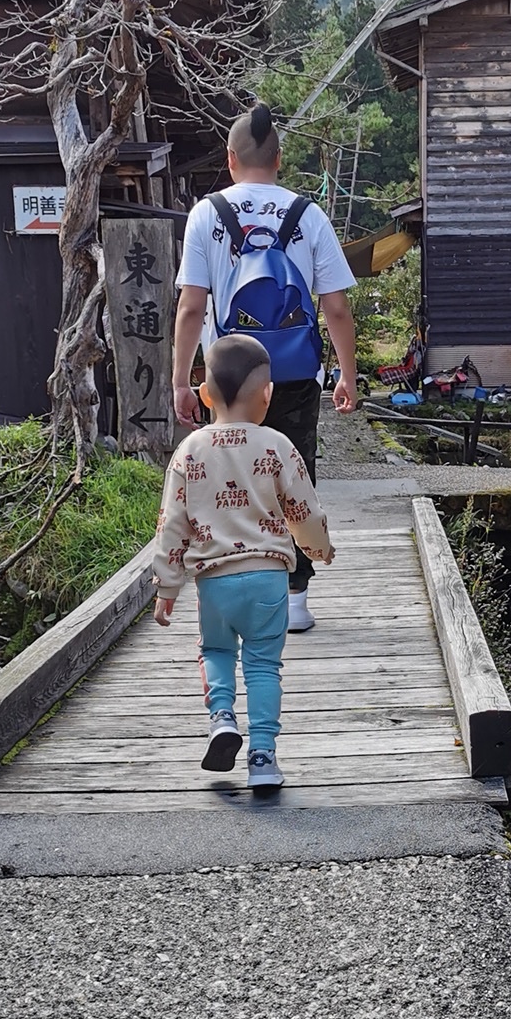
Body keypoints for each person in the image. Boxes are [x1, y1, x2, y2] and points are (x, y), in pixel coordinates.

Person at [172, 103, 357, 637]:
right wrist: (347, 375)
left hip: (227, 375)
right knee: (293, 475)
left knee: (226, 477)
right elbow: (337, 308)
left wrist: (183, 380)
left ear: (231, 159)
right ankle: (294, 598)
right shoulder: (309, 214)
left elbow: (190, 307)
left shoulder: (206, 215)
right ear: (279, 158)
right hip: (294, 373)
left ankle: (233, 591)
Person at [152, 333, 334, 792]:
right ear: (268, 395)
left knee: (215, 651)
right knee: (262, 667)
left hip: (214, 583)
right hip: (269, 579)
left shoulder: (190, 450)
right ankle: (263, 757)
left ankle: (222, 719)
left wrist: (167, 587)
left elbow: (172, 523)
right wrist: (318, 549)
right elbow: (303, 511)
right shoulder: (277, 446)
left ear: (205, 394)